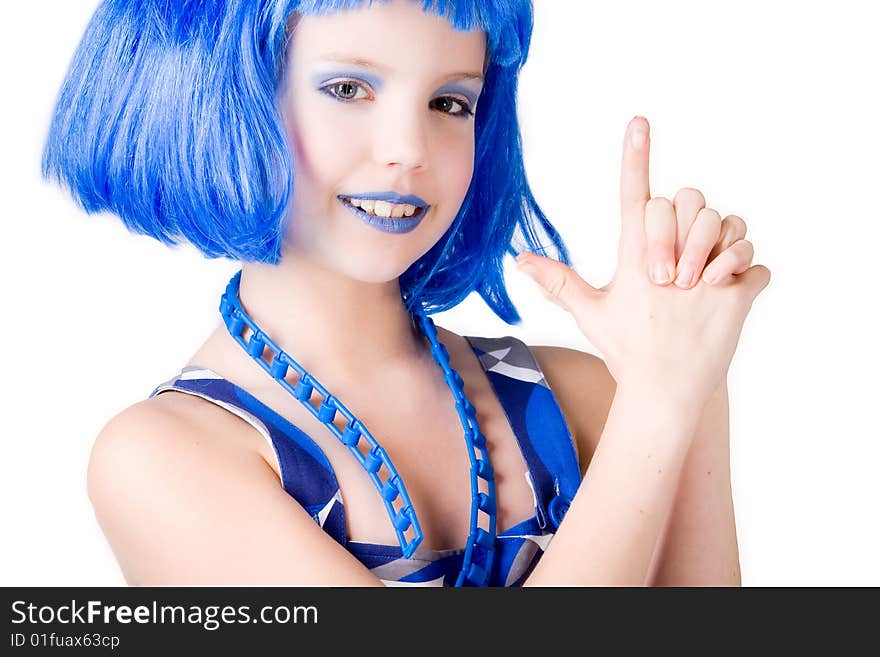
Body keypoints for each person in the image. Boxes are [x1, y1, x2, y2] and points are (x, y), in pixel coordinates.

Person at [41, 0, 770, 586]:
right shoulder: (160, 461)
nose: (411, 148)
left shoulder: (595, 397)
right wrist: (657, 405)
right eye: (349, 88)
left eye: (451, 103)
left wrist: (690, 366)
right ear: (222, 96)